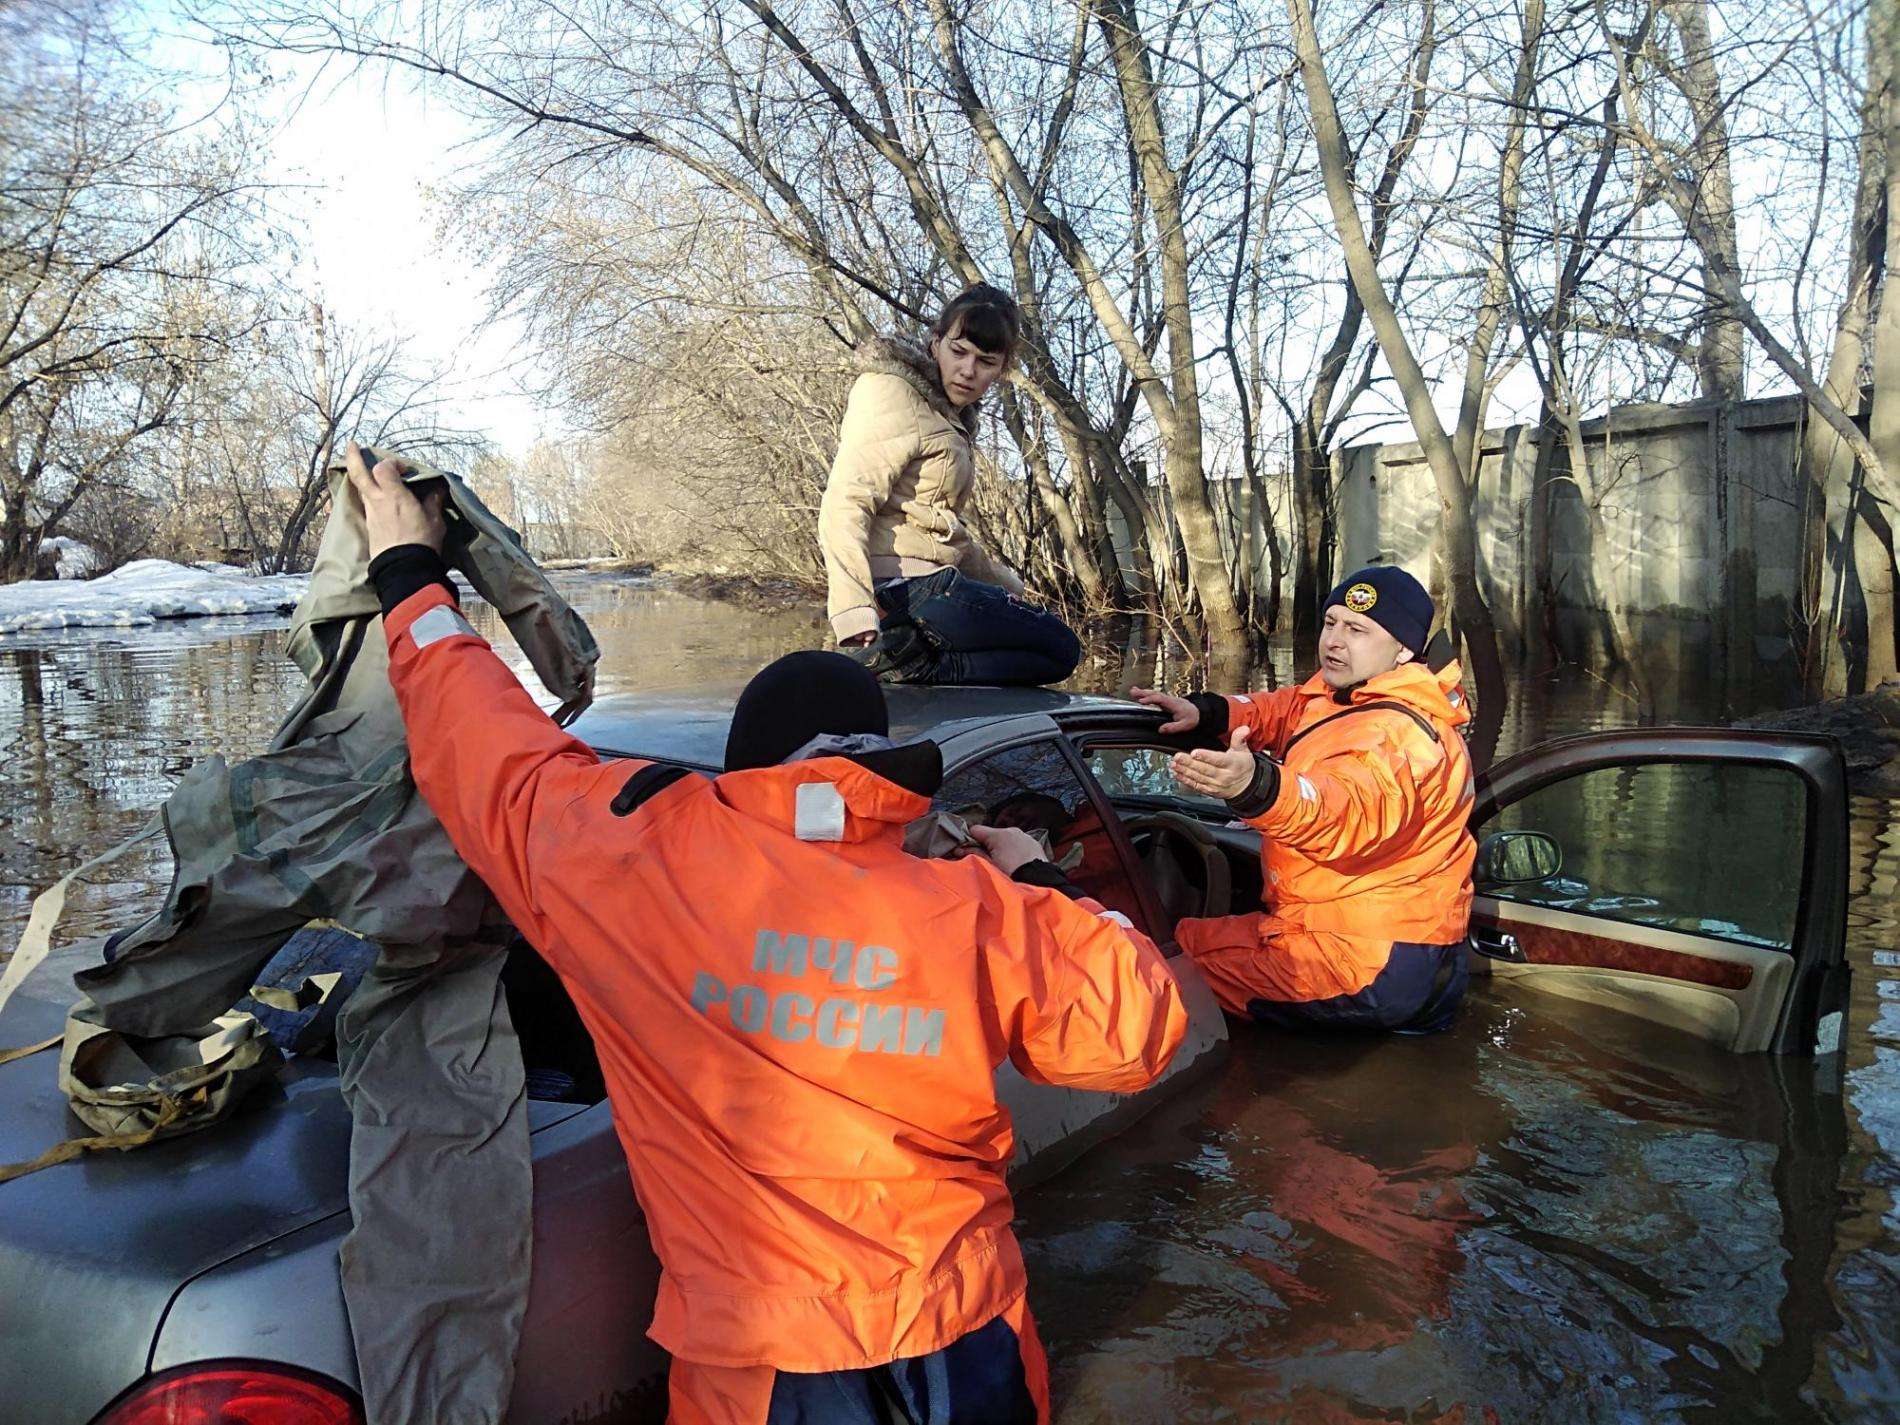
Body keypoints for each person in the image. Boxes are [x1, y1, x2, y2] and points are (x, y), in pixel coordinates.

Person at [343, 443, 1189, 1425]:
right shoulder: (977, 911)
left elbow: (484, 745)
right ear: (884, 775)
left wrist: (411, 577)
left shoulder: (631, 863)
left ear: (741, 771)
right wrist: (1035, 875)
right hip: (965, 1342)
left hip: (763, 1370)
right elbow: (1137, 1033)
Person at [1132, 565, 1475, 1035]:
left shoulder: (1392, 738)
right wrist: (1208, 712)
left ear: (1403, 649)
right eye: (1331, 622)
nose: (1334, 640)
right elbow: (1291, 707)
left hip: (1363, 960)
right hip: (1396, 947)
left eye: (1356, 630)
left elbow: (1342, 812)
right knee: (1183, 940)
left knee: (1157, 963)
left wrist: (1257, 787)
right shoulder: (1352, 696)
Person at [820, 283, 1082, 686]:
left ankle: (915, 660)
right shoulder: (892, 392)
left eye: (985, 361)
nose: (968, 370)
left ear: (1002, 368)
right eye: (958, 352)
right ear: (936, 342)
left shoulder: (947, 416)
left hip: (931, 586)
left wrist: (1007, 587)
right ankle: (922, 667)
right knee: (1060, 649)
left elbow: (942, 531)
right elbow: (846, 500)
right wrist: (853, 607)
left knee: (1048, 646)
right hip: (906, 589)